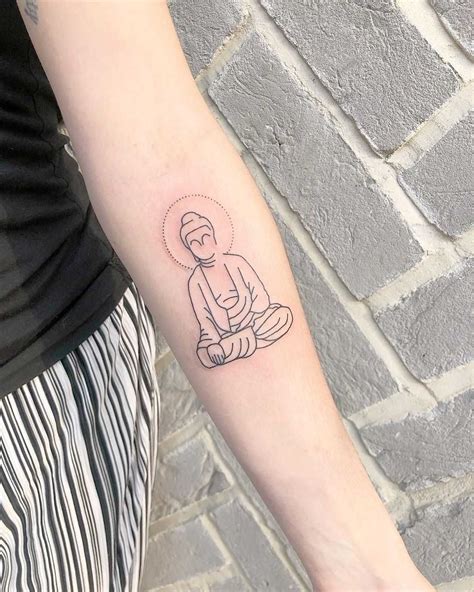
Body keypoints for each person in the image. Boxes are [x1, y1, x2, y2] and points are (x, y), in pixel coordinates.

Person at [0, 1, 435, 591]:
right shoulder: (204, 277)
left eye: (205, 235)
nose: (202, 245)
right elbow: (209, 311)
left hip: (31, 384)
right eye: (194, 239)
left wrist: (363, 570)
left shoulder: (221, 265)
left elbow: (159, 151)